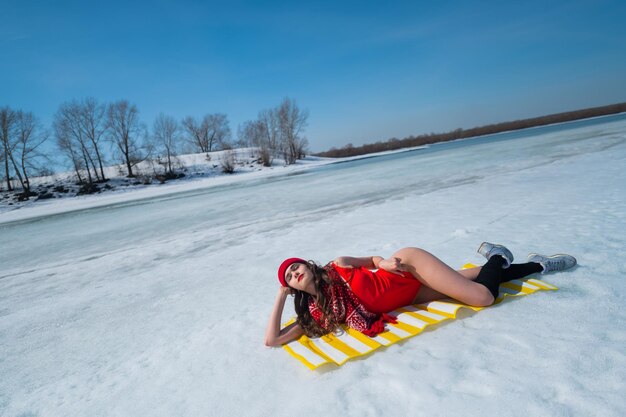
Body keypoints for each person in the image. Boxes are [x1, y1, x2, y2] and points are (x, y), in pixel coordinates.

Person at [264, 243, 576, 347]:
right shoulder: (320, 314)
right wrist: (280, 297)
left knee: (483, 297)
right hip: (412, 295)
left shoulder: (338, 266)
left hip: (407, 266)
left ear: (307, 264)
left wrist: (383, 262)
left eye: (296, 267)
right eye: (290, 277)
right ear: (292, 286)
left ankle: (497, 255)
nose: (296, 273)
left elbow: (372, 262)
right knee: (473, 278)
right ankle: (539, 264)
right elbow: (272, 340)